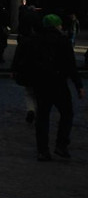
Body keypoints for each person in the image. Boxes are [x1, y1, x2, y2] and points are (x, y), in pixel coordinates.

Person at [26, 14, 84, 161]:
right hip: (59, 83)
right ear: (57, 25)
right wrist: (78, 86)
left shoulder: (35, 40)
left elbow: (28, 62)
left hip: (41, 83)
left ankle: (43, 150)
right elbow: (71, 66)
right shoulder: (63, 41)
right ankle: (61, 144)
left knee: (43, 117)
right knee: (67, 113)